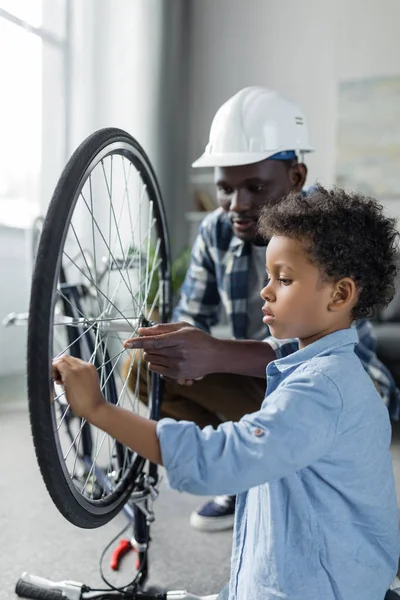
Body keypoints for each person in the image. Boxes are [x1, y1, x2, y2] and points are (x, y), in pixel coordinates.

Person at [53, 185, 399, 600]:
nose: (265, 291)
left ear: (340, 294)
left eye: (284, 279)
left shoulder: (321, 388)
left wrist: (96, 409)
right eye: (269, 276)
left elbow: (221, 459)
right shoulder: (318, 368)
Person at [123, 86, 400, 532]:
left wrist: (215, 354)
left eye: (255, 186)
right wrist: (184, 349)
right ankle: (246, 471)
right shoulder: (217, 230)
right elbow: (194, 309)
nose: (239, 204)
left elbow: (334, 354)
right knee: (146, 365)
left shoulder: (333, 230)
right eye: (225, 188)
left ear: (295, 177)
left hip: (335, 385)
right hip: (259, 383)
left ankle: (295, 471)